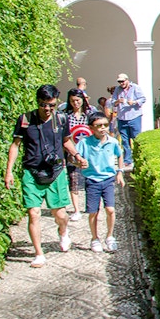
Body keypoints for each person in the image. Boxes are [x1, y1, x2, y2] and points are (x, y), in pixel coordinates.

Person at [4, 85, 88, 268]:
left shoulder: (61, 118)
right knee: (33, 213)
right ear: (37, 102)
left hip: (55, 171)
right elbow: (15, 145)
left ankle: (63, 232)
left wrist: (77, 156)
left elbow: (66, 141)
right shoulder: (25, 120)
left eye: (51, 105)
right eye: (44, 105)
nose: (48, 109)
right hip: (31, 172)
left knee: (60, 215)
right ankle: (39, 254)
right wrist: (9, 171)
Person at [75, 112, 125, 253]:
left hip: (108, 179)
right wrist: (79, 163)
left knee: (110, 209)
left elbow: (120, 155)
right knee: (93, 212)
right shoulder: (84, 143)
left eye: (105, 125)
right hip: (92, 180)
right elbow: (75, 158)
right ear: (91, 127)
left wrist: (119, 172)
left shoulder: (112, 141)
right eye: (99, 126)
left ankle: (110, 236)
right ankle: (94, 238)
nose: (103, 128)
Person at [63, 88, 96, 222]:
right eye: (72, 101)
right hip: (72, 151)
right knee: (73, 179)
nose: (75, 103)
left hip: (89, 151)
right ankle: (76, 209)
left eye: (77, 100)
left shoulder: (90, 114)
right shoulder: (65, 116)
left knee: (90, 178)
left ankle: (91, 206)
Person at [111, 73, 146, 171]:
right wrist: (118, 101)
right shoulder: (118, 90)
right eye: (119, 82)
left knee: (136, 138)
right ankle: (127, 160)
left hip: (134, 116)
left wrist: (134, 102)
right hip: (122, 117)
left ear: (127, 80)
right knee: (125, 140)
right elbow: (113, 102)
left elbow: (143, 99)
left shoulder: (135, 87)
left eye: (122, 81)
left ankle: (139, 157)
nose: (121, 83)